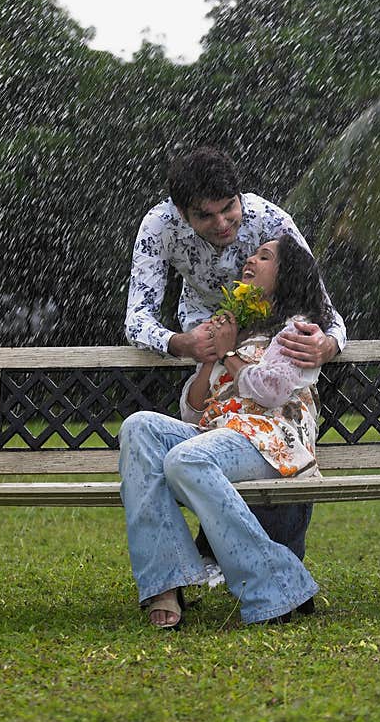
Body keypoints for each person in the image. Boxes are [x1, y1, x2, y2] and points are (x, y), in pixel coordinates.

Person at [124, 145, 346, 569]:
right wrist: (182, 343)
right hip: (204, 324)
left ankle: (262, 555)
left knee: (253, 426)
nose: (222, 223)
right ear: (181, 213)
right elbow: (136, 318)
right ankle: (203, 561)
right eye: (205, 216)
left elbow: (323, 307)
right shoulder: (159, 226)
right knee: (213, 420)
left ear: (240, 196)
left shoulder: (272, 221)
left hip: (272, 330)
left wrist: (328, 344)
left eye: (229, 209)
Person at [119, 236, 331, 628]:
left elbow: (271, 392)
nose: (250, 259)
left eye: (264, 257)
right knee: (140, 428)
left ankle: (274, 583)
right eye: (253, 254)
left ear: (286, 277)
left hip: (271, 441)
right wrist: (210, 355)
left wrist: (230, 354)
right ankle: (166, 580)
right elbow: (194, 409)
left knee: (186, 458)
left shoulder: (297, 331)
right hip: (221, 435)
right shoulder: (238, 329)